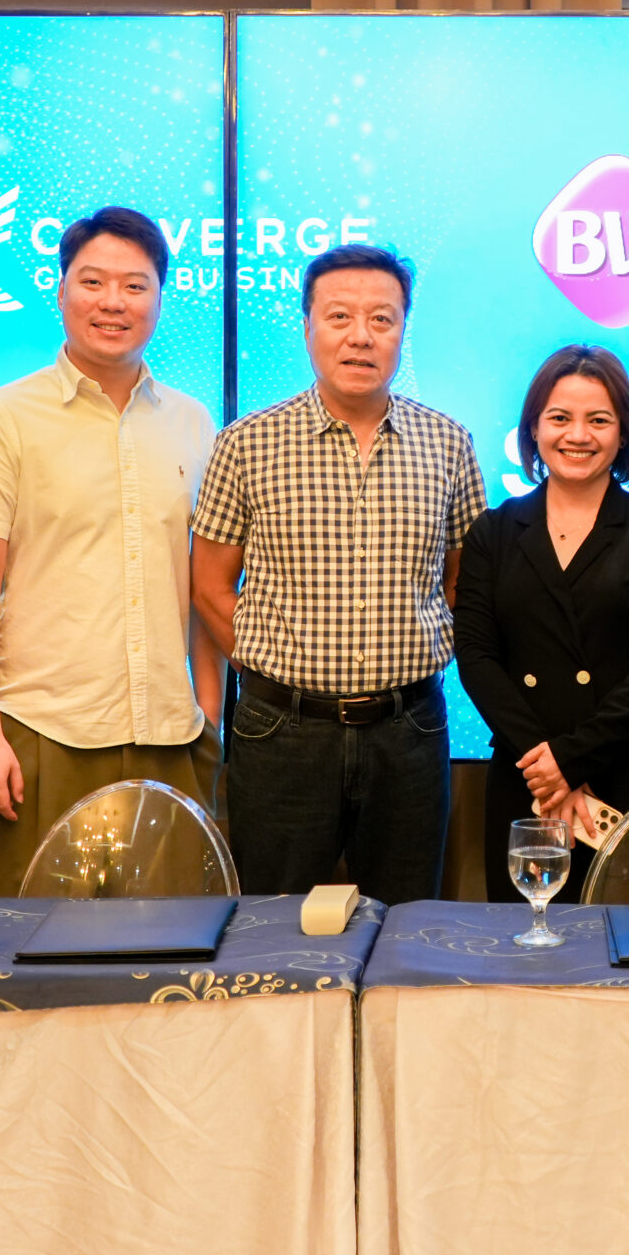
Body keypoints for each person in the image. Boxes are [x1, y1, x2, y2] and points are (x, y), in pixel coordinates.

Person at [0, 207, 220, 895]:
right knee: (32, 957)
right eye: (93, 282)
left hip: (169, 738)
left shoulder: (191, 421)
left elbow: (207, 579)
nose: (113, 303)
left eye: (135, 285)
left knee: (169, 962)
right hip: (41, 735)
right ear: (61, 289)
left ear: (160, 297)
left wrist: (211, 718)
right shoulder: (1, 419)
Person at [192, 245, 481, 905]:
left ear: (403, 329)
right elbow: (208, 586)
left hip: (409, 732)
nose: (361, 336)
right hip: (280, 733)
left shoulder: (449, 443)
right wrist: (274, 667)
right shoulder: (246, 443)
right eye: (340, 316)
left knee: (407, 926)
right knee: (268, 926)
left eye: (382, 319)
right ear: (307, 327)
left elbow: (462, 581)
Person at [455, 345, 629, 901]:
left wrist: (572, 757)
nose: (578, 435)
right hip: (527, 778)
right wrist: (545, 764)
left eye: (598, 420)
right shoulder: (494, 531)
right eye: (560, 418)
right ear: (534, 429)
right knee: (533, 958)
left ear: (622, 434)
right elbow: (475, 653)